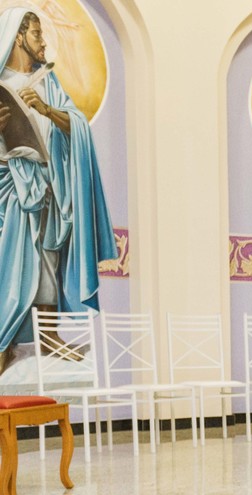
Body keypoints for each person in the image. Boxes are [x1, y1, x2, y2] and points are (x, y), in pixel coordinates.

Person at [0, 7, 116, 376]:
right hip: (9, 186)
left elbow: (76, 124)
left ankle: (48, 336)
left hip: (46, 185)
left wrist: (47, 111)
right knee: (10, 262)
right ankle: (4, 342)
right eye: (37, 34)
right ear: (18, 36)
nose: (43, 41)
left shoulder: (47, 82)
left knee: (47, 261)